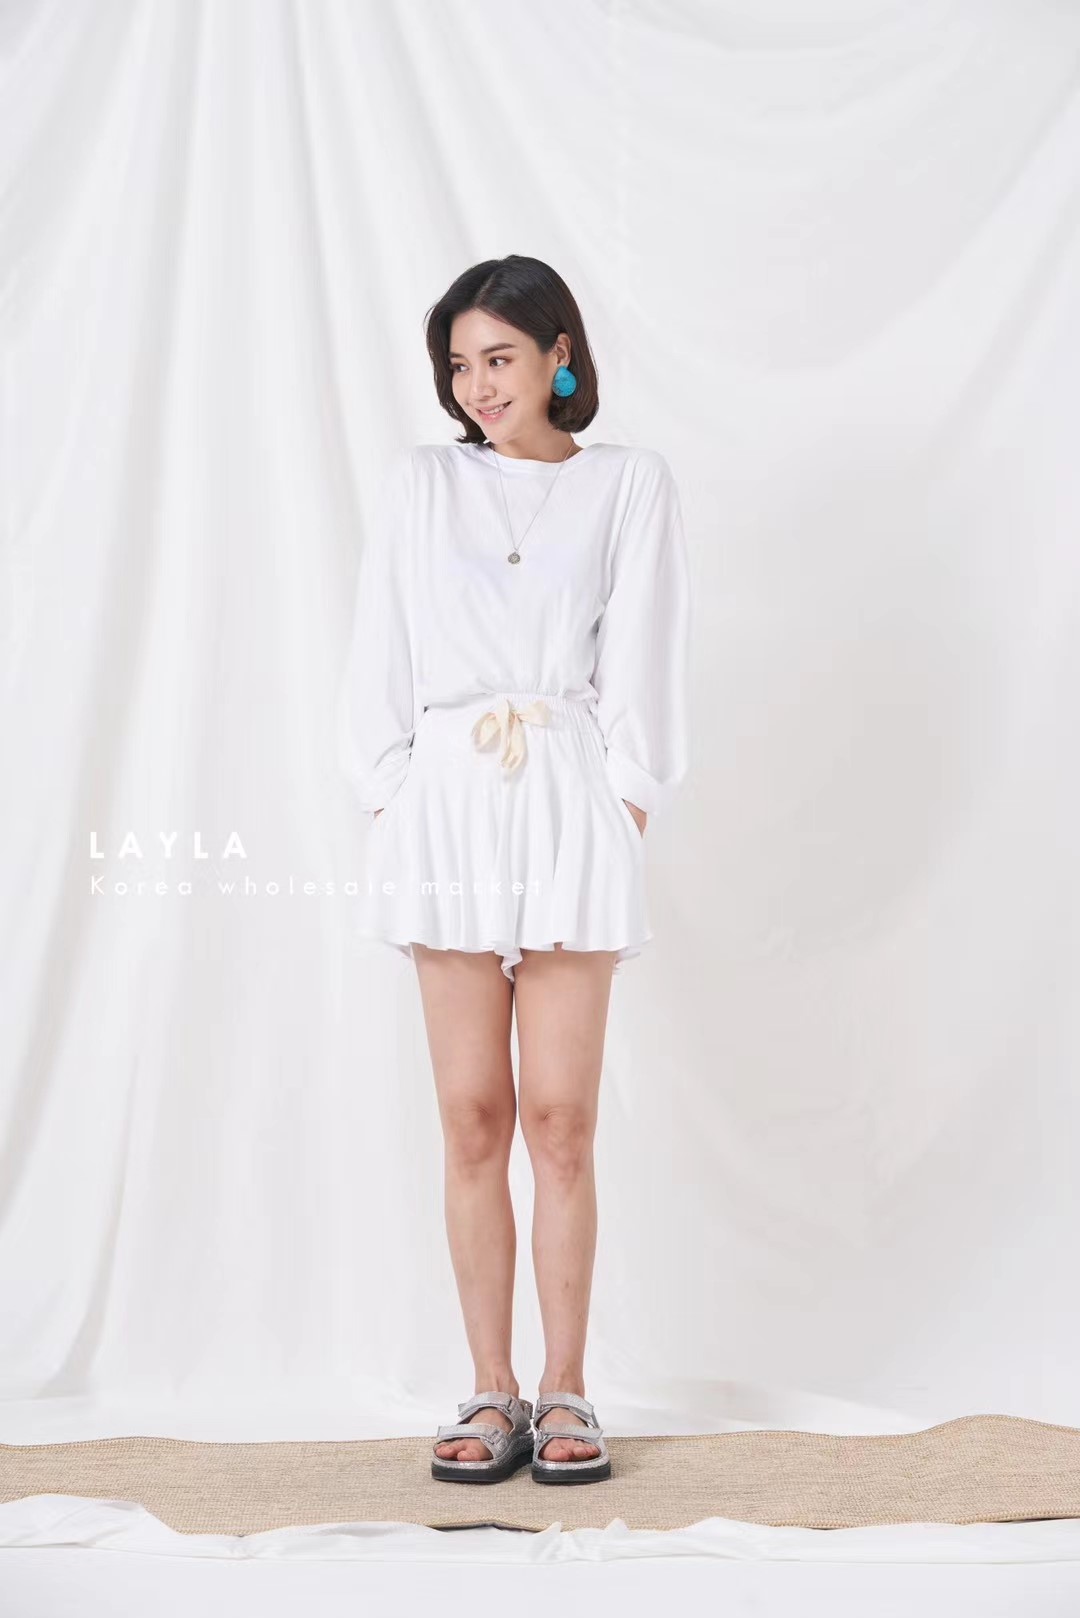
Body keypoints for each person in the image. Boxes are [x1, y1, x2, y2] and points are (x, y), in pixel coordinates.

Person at [335, 255, 691, 1484]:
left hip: (567, 797)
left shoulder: (628, 484)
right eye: (460, 364)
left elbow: (647, 652)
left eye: (500, 358)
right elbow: (378, 645)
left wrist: (622, 803)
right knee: (474, 1114)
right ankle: (489, 1386)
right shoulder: (423, 482)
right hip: (444, 801)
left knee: (562, 1120)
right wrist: (394, 792)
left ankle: (568, 1384)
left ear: (557, 356)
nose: (478, 386)